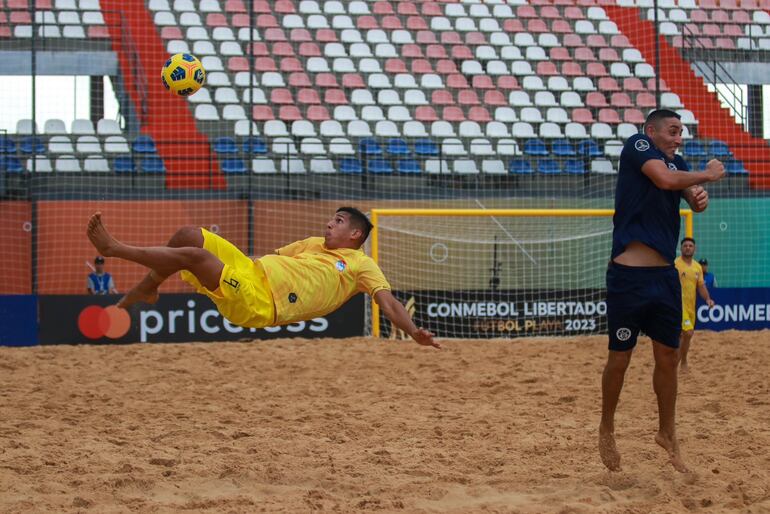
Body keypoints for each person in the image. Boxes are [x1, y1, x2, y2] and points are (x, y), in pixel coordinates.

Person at [85, 207, 440, 349]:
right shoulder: (313, 244)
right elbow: (270, 258)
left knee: (194, 257)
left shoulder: (363, 266)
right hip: (251, 272)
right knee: (188, 235)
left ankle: (115, 248)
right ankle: (149, 287)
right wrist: (233, 263)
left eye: (339, 221)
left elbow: (388, 301)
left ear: (355, 235)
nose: (330, 223)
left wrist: (411, 331)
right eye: (332, 218)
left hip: (259, 303)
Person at [600, 109, 725, 473]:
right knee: (620, 359)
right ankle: (607, 424)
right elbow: (666, 180)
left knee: (668, 356)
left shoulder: (678, 162)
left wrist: (699, 198)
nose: (678, 137)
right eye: (672, 131)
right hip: (627, 278)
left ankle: (667, 432)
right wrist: (706, 174)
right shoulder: (637, 146)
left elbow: (688, 194)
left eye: (681, 131)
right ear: (651, 131)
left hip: (664, 278)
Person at [675, 238, 715, 373]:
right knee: (687, 332)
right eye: (685, 245)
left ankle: (683, 360)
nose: (687, 247)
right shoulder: (675, 264)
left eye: (690, 246)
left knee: (685, 336)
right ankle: (676, 365)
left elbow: (701, 287)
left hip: (690, 306)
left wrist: (708, 299)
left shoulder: (697, 267)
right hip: (677, 305)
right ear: (681, 248)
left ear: (694, 249)